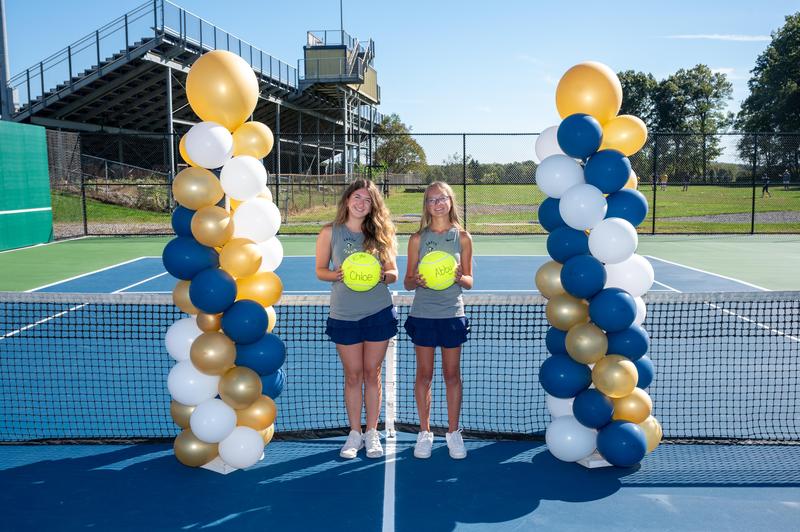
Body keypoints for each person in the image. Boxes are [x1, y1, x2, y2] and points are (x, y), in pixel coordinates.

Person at [315, 179, 399, 459]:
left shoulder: (381, 234)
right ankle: (354, 434)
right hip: (344, 314)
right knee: (353, 376)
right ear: (348, 200)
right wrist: (337, 274)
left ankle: (372, 433)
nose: (362, 203)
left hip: (378, 312)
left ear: (373, 205)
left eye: (368, 200)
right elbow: (320, 270)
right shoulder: (330, 232)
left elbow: (393, 273)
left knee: (372, 375)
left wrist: (383, 276)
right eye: (358, 197)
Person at [403, 181, 473, 460]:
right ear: (426, 206)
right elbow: (408, 281)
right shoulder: (417, 239)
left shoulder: (463, 237)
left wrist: (459, 277)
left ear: (450, 201)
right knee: (424, 375)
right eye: (431, 200)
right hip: (423, 315)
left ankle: (453, 433)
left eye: (441, 198)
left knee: (452, 375)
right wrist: (415, 280)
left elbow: (469, 281)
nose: (437, 204)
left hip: (452, 314)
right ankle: (424, 432)